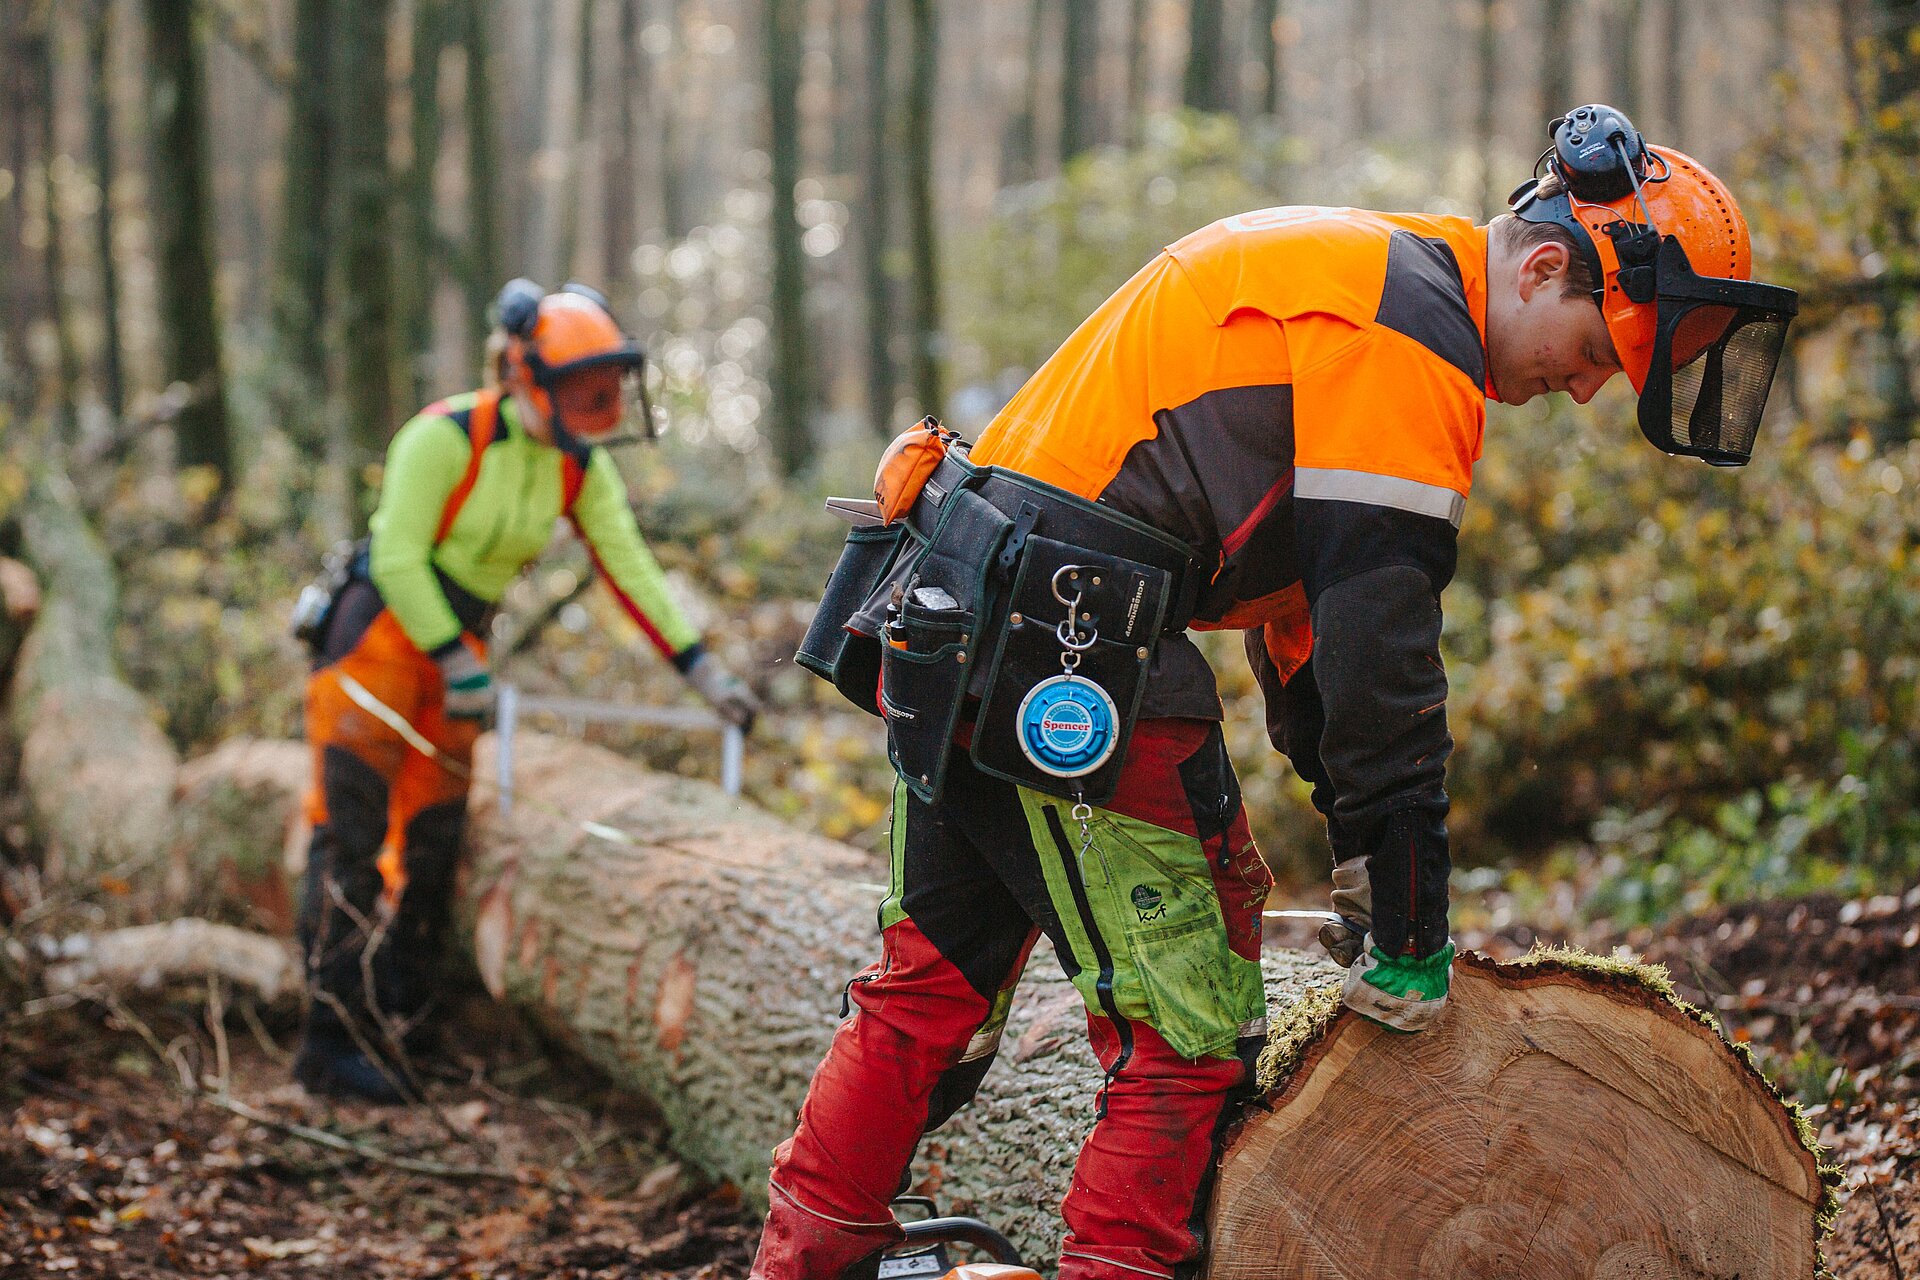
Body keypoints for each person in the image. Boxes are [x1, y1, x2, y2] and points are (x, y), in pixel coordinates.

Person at [762, 104, 1795, 1280]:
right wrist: (1409, 918)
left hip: (965, 606)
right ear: (1545, 263)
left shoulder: (1369, 275)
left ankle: (803, 1256)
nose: (1585, 389)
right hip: (1074, 633)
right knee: (1188, 1030)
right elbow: (1380, 651)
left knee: (926, 985)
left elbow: (1307, 645)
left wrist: (1369, 870)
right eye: (1598, 351)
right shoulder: (1411, 332)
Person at [294, 279, 760, 1103]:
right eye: (586, 392)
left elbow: (629, 568)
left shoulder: (576, 465)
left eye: (608, 393)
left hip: (458, 641)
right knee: (353, 837)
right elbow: (399, 556)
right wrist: (453, 657)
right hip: (378, 639)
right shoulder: (443, 437)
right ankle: (328, 1042)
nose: (600, 408)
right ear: (524, 376)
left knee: (434, 841)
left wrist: (701, 670)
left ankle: (403, 1025)